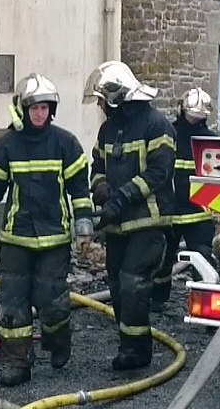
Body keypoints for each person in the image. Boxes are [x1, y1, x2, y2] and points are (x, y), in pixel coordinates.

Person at [0, 73, 94, 387]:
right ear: (23, 110)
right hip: (16, 240)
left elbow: (80, 190)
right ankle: (17, 364)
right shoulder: (8, 146)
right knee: (13, 306)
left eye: (45, 108)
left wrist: (83, 230)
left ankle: (58, 339)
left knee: (52, 303)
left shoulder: (66, 143)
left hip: (53, 240)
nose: (40, 113)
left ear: (51, 111)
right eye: (34, 107)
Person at [82, 60, 176, 371]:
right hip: (118, 225)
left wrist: (120, 198)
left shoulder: (156, 125)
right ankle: (129, 342)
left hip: (148, 223)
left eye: (100, 99)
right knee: (118, 288)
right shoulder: (109, 129)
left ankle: (136, 351)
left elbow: (158, 173)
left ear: (116, 97)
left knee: (134, 284)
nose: (99, 106)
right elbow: (96, 166)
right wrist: (102, 188)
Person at [151, 87, 220, 311]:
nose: (194, 120)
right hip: (176, 212)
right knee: (165, 259)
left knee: (199, 259)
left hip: (192, 213)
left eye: (197, 117)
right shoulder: (171, 135)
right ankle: (160, 301)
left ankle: (206, 306)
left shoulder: (206, 140)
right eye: (193, 116)